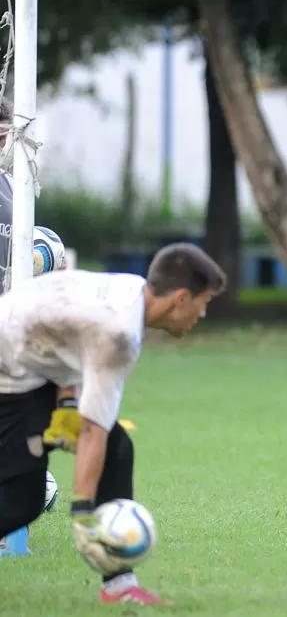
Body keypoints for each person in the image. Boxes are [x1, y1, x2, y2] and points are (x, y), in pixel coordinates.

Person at [0, 242, 226, 605]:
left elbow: (60, 326)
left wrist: (67, 402)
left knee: (118, 449)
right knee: (22, 501)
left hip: (28, 362)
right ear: (182, 298)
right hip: (10, 371)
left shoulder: (129, 290)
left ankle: (120, 585)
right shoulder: (120, 334)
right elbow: (92, 430)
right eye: (205, 302)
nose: (202, 314)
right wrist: (83, 517)